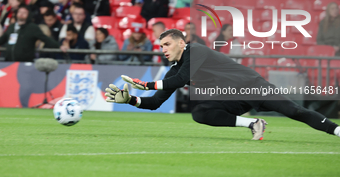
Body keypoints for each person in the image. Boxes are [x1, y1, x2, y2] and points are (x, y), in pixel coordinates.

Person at [105, 29, 340, 141]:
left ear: (181, 43)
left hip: (252, 87)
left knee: (294, 112)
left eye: (167, 44)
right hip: (232, 98)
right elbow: (156, 103)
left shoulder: (195, 50)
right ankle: (253, 123)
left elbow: (179, 81)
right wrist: (131, 100)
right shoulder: (175, 68)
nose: (163, 49)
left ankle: (337, 130)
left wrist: (145, 84)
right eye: (161, 46)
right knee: (200, 112)